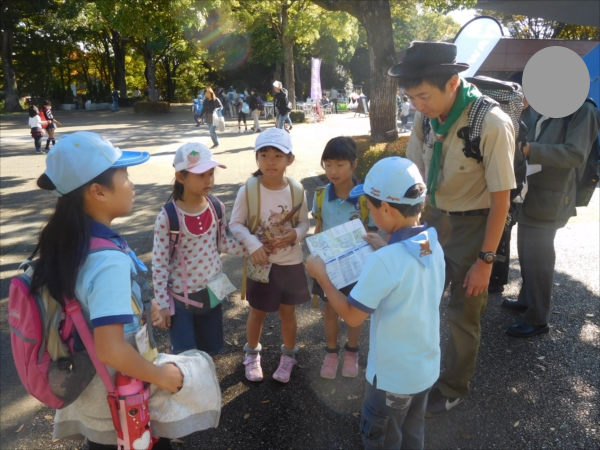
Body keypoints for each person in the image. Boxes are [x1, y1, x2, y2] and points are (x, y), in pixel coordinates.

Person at [31, 131, 218, 449]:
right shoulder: (107, 262)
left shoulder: (70, 242)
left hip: (92, 391)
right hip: (121, 401)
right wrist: (162, 377)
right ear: (97, 192)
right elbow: (111, 348)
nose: (133, 184)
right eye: (125, 176)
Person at [392, 41, 516, 416]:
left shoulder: (491, 123)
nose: (417, 105)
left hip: (473, 228)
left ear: (451, 83)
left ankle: (453, 385)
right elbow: (413, 175)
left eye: (423, 96)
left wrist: (485, 260)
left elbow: (501, 201)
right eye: (411, 98)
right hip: (432, 222)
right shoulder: (425, 118)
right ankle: (418, 373)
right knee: (420, 302)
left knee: (462, 314)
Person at [306, 157, 445, 450]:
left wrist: (322, 277)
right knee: (411, 433)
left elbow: (352, 316)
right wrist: (386, 245)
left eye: (369, 207)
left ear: (386, 208)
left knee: (382, 438)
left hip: (390, 379)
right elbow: (408, 267)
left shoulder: (383, 262)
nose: (367, 213)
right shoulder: (431, 241)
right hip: (424, 371)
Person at [503, 100, 600, 337]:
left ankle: (537, 318)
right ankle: (527, 300)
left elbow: (576, 154)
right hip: (531, 188)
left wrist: (530, 149)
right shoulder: (548, 106)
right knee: (526, 249)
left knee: (539, 258)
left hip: (552, 195)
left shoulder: (583, 109)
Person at [229, 128, 310, 384]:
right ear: (256, 159)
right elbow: (236, 224)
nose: (271, 161)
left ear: (290, 159)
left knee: (289, 313)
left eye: (278, 155)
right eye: (264, 155)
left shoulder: (297, 190)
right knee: (257, 312)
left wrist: (295, 235)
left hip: (291, 262)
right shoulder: (249, 190)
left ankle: (289, 355)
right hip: (261, 264)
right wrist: (253, 245)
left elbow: (305, 224)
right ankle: (252, 354)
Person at [153, 143, 246, 359]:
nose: (209, 180)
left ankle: (208, 386)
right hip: (180, 299)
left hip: (213, 292)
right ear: (181, 177)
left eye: (211, 173)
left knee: (211, 350)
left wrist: (252, 248)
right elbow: (159, 264)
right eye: (201, 175)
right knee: (186, 356)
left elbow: (222, 242)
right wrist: (163, 304)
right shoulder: (168, 217)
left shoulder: (216, 207)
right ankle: (191, 390)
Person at [311, 137, 376, 380]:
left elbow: (372, 231)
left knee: (354, 311)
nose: (333, 171)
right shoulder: (320, 196)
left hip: (357, 268)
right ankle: (331, 352)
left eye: (339, 164)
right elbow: (318, 228)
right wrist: (314, 260)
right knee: (329, 311)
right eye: (327, 164)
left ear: (353, 164)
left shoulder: (364, 199)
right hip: (328, 267)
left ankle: (351, 351)